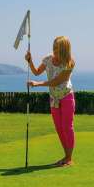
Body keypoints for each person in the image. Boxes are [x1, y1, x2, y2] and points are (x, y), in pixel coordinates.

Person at [26, 36, 76, 167]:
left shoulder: (69, 63)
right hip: (54, 99)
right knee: (59, 129)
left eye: (57, 48)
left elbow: (56, 82)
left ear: (64, 50)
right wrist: (30, 61)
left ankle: (69, 158)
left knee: (67, 127)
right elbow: (36, 72)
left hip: (66, 97)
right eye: (53, 47)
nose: (54, 50)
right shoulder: (48, 59)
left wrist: (37, 84)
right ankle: (66, 156)